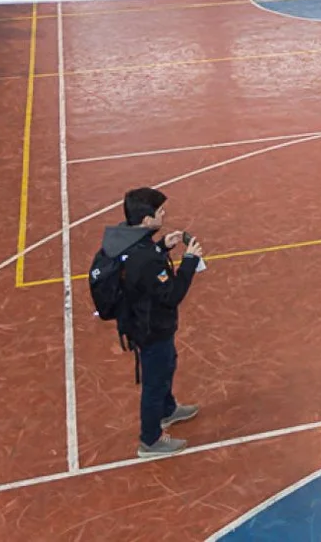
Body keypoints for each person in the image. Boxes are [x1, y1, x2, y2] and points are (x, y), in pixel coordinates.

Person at [99, 187, 204, 457]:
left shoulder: (131, 242)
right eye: (159, 212)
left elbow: (140, 265)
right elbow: (171, 295)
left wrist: (161, 247)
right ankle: (151, 440)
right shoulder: (145, 259)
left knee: (167, 364)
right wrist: (189, 261)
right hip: (151, 327)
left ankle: (168, 410)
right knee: (155, 380)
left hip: (142, 321)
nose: (164, 214)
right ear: (147, 221)